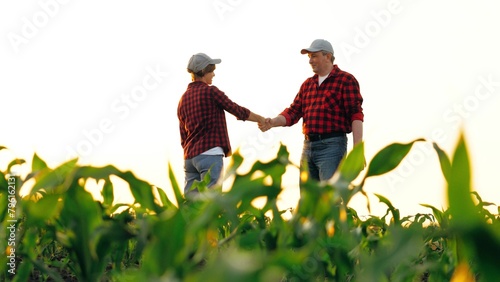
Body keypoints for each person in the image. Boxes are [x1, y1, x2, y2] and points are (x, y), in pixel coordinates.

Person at [261, 39, 364, 182]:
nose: (310, 61)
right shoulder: (307, 85)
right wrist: (272, 122)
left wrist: (358, 151)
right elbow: (293, 112)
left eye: (314, 56)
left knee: (329, 199)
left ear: (327, 56)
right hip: (308, 147)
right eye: (309, 57)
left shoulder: (345, 80)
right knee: (308, 200)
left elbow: (356, 115)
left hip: (332, 146)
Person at [178, 52, 266, 194]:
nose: (213, 74)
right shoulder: (211, 91)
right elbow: (236, 110)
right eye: (211, 71)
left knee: (191, 204)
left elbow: (183, 135)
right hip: (210, 155)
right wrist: (260, 119)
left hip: (189, 159)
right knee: (212, 201)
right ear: (203, 71)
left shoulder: (182, 99)